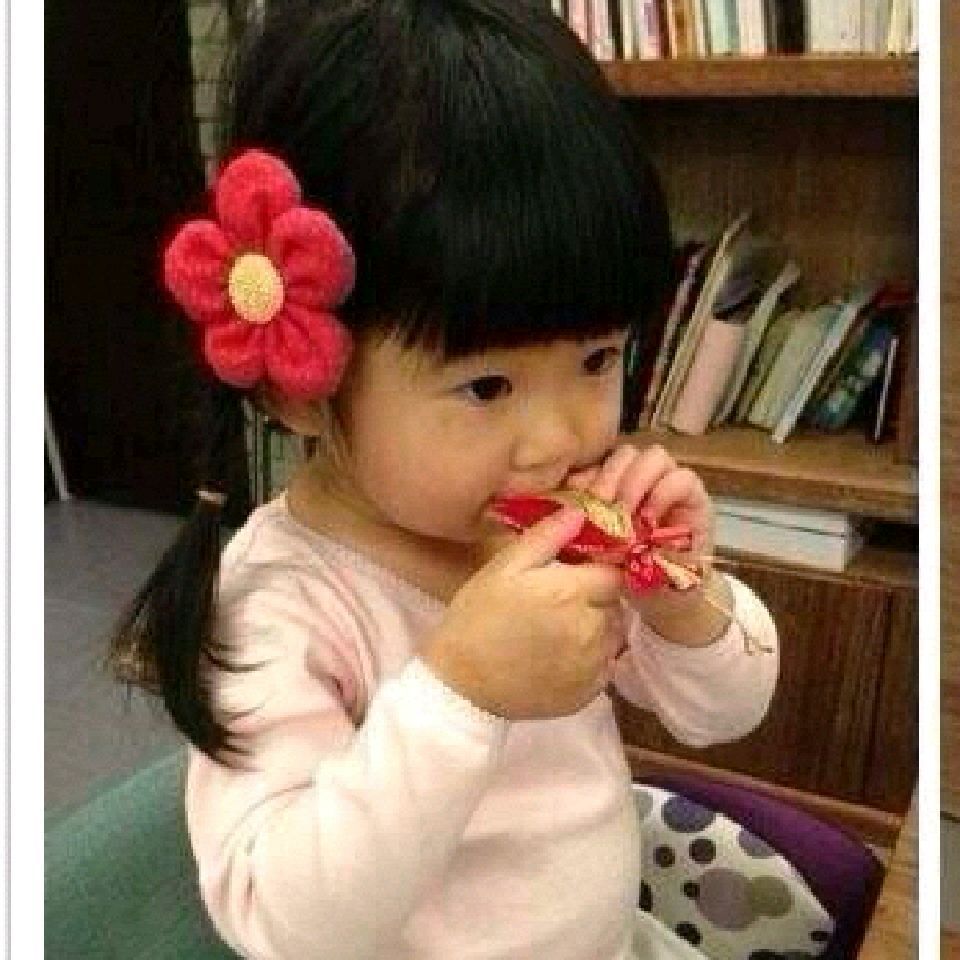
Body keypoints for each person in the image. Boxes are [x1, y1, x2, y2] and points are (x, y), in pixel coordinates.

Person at [111, 1, 779, 958]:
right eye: (487, 386)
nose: (561, 438)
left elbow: (726, 713)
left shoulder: (546, 530)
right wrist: (462, 691)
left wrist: (685, 603)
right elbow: (281, 923)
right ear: (304, 387)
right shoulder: (280, 609)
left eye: (598, 359)